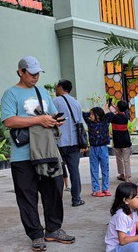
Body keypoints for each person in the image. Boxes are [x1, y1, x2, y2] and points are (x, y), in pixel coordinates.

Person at [1, 56, 75, 251]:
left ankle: (53, 229)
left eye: (37, 74)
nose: (35, 77)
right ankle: (35, 234)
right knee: (27, 196)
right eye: (31, 74)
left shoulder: (41, 91)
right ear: (20, 72)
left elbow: (49, 114)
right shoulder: (11, 94)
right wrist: (39, 120)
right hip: (22, 155)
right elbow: (9, 121)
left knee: (54, 189)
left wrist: (53, 120)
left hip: (46, 151)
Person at [52, 79, 85, 207]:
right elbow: (80, 122)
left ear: (60, 87)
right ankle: (76, 199)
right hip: (74, 143)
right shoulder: (76, 103)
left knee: (56, 171)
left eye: (56, 87)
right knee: (74, 171)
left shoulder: (55, 102)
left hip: (59, 142)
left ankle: (56, 200)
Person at [104, 182, 138, 252]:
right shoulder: (121, 216)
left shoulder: (133, 213)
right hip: (115, 249)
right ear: (126, 200)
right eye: (137, 197)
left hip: (124, 246)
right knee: (136, 246)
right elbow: (122, 241)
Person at [83, 106, 111, 197]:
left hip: (103, 148)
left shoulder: (105, 121)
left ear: (98, 115)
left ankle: (105, 188)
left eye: (92, 114)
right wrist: (91, 112)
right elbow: (84, 114)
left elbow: (110, 114)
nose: (90, 116)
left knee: (105, 169)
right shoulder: (90, 123)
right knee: (94, 169)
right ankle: (96, 189)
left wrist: (105, 109)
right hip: (93, 148)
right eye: (90, 114)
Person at [110, 100, 132, 182]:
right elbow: (120, 111)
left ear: (118, 108)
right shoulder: (126, 117)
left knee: (119, 159)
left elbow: (113, 114)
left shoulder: (113, 117)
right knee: (126, 160)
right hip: (126, 141)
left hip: (117, 141)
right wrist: (115, 106)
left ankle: (121, 174)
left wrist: (111, 106)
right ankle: (127, 176)